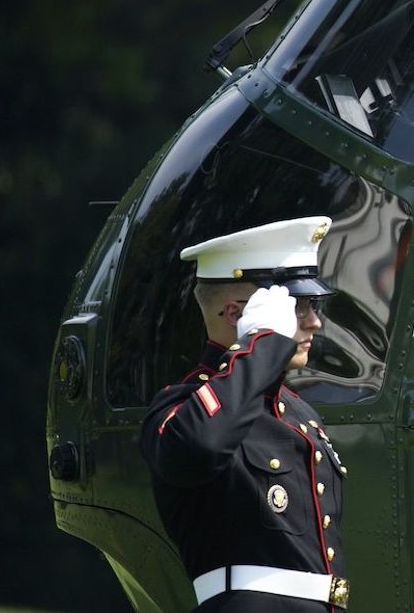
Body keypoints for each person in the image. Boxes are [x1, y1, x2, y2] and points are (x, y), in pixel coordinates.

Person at [140, 216, 351, 612]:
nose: (314, 322)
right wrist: (260, 346)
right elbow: (197, 448)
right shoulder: (179, 407)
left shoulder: (298, 413)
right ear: (238, 314)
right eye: (297, 306)